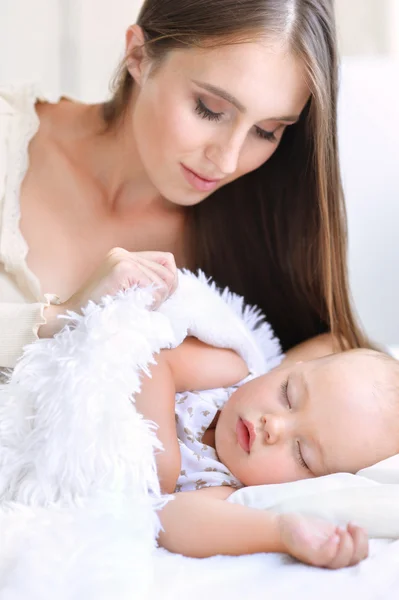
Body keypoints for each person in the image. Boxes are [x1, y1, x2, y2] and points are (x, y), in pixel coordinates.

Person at [0, 0, 371, 370]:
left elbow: (345, 354)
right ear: (139, 55)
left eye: (266, 131)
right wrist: (61, 319)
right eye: (209, 108)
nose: (227, 161)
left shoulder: (258, 231)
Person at [135, 338, 399, 568]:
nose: (274, 425)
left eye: (300, 453)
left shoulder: (223, 485)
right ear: (289, 369)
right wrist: (164, 455)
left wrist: (281, 533)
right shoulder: (229, 371)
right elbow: (155, 359)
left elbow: (170, 517)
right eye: (288, 395)